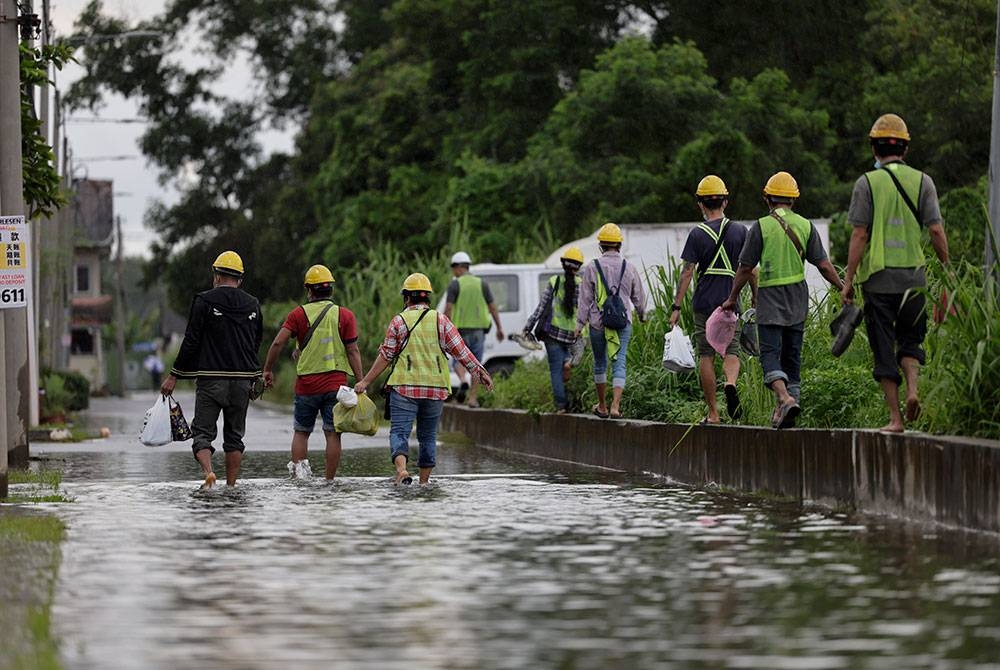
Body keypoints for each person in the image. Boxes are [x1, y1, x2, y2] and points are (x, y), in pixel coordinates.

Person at [841, 113, 950, 433]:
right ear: (904, 148)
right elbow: (935, 230)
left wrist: (848, 280)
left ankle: (895, 419)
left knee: (883, 345)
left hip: (878, 279)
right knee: (911, 339)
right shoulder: (923, 181)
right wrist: (947, 270)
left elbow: (859, 235)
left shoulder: (866, 183)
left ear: (874, 148)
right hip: (914, 279)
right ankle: (913, 391)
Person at [721, 172, 843, 429]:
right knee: (792, 357)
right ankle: (787, 414)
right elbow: (823, 264)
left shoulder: (761, 227)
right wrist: (843, 288)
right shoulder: (806, 226)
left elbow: (745, 268)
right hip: (797, 297)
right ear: (793, 200)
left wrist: (732, 297)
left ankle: (785, 398)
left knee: (770, 354)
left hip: (771, 298)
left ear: (767, 199)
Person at [355, 273, 493, 486]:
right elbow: (461, 351)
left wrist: (365, 381)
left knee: (399, 431)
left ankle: (401, 471)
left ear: (406, 298)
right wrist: (479, 371)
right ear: (427, 297)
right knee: (428, 436)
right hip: (435, 390)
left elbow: (386, 355)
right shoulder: (441, 320)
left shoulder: (398, 321)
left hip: (404, 389)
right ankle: (424, 483)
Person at [161, 251, 263, 488]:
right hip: (242, 380)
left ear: (216, 275)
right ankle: (231, 485)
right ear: (240, 278)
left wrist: (174, 375)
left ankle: (209, 472)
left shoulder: (204, 300)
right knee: (235, 438)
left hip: (211, 379)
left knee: (202, 434)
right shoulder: (253, 304)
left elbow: (191, 340)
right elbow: (256, 341)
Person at [262, 265, 364, 480]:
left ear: (309, 290)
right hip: (336, 386)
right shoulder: (344, 315)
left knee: (301, 432)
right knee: (332, 433)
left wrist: (268, 370)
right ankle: (329, 480)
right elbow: (353, 350)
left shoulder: (298, 314)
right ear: (331, 290)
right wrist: (361, 382)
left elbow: (278, 342)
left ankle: (300, 477)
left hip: (307, 385)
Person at [670, 175, 756, 424]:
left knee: (706, 355)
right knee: (732, 349)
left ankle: (714, 413)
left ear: (700, 204)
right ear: (725, 202)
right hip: (730, 299)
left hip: (705, 301)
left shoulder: (697, 234)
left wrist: (676, 306)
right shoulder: (740, 231)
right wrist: (756, 298)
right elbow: (751, 268)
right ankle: (730, 382)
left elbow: (687, 272)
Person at [574, 223, 648, 419]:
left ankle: (602, 406)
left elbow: (585, 300)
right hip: (623, 323)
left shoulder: (591, 267)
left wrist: (579, 324)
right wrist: (642, 315)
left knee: (600, 363)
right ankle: (616, 406)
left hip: (598, 323)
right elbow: (638, 297)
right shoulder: (629, 267)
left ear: (601, 246)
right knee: (619, 362)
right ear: (619, 245)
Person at [522, 246, 585, 413]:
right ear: (579, 266)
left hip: (552, 334)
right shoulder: (583, 285)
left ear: (563, 264)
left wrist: (528, 327)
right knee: (572, 359)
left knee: (555, 372)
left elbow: (541, 308)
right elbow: (587, 311)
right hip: (573, 335)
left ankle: (561, 406)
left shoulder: (554, 281)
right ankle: (569, 362)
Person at [444, 251, 504, 407]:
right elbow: (492, 307)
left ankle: (463, 381)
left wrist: (443, 329)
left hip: (460, 331)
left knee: (458, 361)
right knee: (476, 364)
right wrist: (499, 328)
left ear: (458, 267)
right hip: (478, 331)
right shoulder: (481, 283)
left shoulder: (455, 284)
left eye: (453, 267)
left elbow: (448, 309)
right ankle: (472, 399)